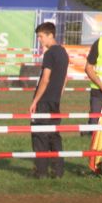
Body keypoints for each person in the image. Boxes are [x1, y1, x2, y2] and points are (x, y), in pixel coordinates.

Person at [29, 22, 68, 179]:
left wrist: (35, 101)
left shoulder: (50, 54)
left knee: (39, 136)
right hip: (55, 100)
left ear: (50, 35)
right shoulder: (63, 53)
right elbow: (64, 78)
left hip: (44, 101)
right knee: (53, 135)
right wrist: (59, 94)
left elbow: (45, 79)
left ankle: (41, 172)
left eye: (41, 36)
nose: (39, 40)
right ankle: (58, 171)